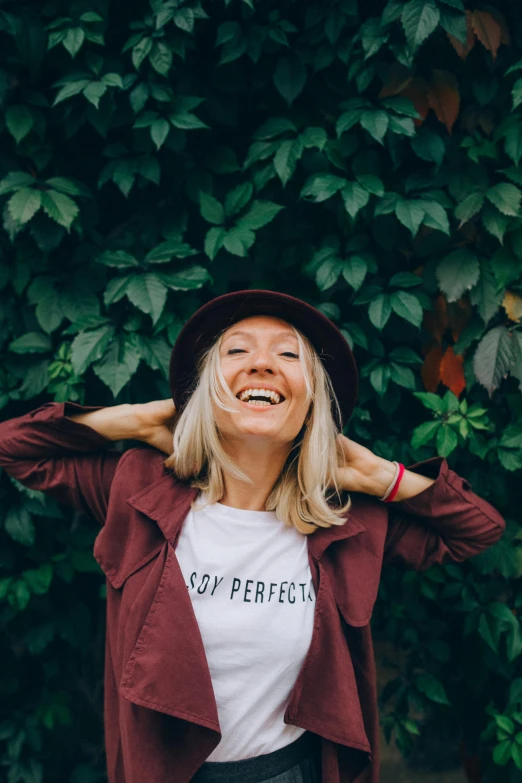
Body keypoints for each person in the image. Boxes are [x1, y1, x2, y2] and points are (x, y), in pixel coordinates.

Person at [0, 289, 506, 783]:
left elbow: (477, 529)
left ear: (311, 402)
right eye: (237, 350)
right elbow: (14, 449)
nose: (262, 363)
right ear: (205, 394)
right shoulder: (137, 487)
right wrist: (133, 419)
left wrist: (382, 477)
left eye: (288, 354)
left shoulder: (348, 521)